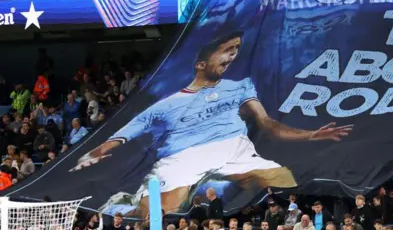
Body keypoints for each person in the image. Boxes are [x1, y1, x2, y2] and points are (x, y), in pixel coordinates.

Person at [72, 32, 353, 216]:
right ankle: (124, 208)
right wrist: (94, 153)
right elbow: (124, 135)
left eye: (236, 50)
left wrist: (311, 135)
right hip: (182, 156)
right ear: (201, 63)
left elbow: (267, 124)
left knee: (283, 179)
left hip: (235, 148)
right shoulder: (165, 105)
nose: (232, 56)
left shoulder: (241, 86)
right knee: (159, 211)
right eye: (227, 50)